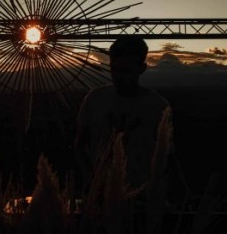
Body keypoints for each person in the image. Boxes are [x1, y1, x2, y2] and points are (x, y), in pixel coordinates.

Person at [74, 34, 174, 189]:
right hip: (101, 193)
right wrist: (91, 181)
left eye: (126, 71)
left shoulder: (158, 106)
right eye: (114, 69)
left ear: (141, 69)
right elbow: (79, 146)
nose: (118, 77)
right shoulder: (94, 100)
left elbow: (167, 157)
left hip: (142, 196)